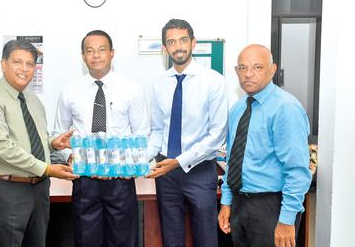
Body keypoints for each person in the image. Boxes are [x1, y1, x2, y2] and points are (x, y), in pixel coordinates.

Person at [0, 40, 78, 247]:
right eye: (18, 62)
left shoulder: (33, 100)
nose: (24, 69)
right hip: (6, 191)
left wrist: (52, 143)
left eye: (30, 64)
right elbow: (2, 147)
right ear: (3, 64)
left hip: (38, 190)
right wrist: (47, 168)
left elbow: (32, 139)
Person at [53, 30, 149, 247]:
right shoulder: (70, 90)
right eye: (90, 50)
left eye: (101, 49)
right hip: (85, 180)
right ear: (83, 56)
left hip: (120, 180)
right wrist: (70, 157)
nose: (96, 55)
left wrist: (131, 166)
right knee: (86, 240)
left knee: (123, 240)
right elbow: (59, 134)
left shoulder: (131, 89)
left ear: (112, 53)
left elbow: (142, 134)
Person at [218, 44, 312, 247]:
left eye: (257, 67)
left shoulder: (286, 108)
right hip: (240, 204)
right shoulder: (238, 108)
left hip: (272, 207)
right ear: (236, 72)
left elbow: (297, 170)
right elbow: (232, 159)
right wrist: (226, 201)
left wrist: (287, 219)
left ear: (272, 70)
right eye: (242, 68)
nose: (248, 74)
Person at [146, 19, 228, 247]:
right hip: (165, 172)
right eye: (171, 42)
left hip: (200, 170)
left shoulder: (213, 81)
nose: (178, 46)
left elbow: (217, 135)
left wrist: (179, 161)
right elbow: (157, 131)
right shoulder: (157, 84)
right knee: (171, 239)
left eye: (183, 40)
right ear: (164, 48)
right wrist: (139, 161)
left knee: (205, 238)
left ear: (193, 43)